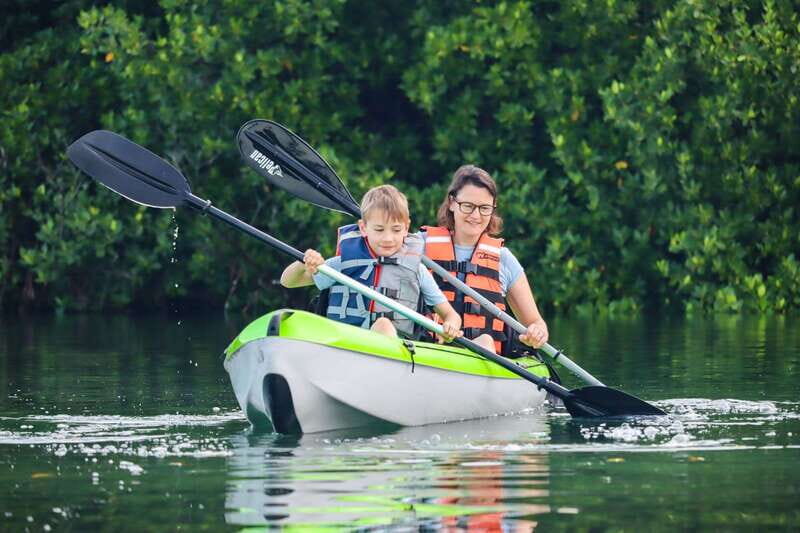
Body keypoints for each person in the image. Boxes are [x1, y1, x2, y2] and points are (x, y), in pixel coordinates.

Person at [281, 184, 462, 341]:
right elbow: (288, 281)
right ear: (363, 228)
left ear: (406, 228)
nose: (388, 238)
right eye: (379, 229)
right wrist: (304, 262)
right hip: (345, 345)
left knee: (383, 325)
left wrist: (451, 326)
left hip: (396, 353)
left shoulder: (417, 270)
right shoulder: (343, 264)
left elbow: (450, 315)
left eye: (396, 229)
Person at [422, 165, 548, 354]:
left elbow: (536, 323)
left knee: (486, 341)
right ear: (452, 203)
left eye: (484, 208)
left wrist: (537, 333)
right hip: (427, 351)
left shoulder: (503, 259)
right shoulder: (419, 245)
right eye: (468, 206)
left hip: (483, 357)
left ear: (493, 209)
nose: (475, 215)